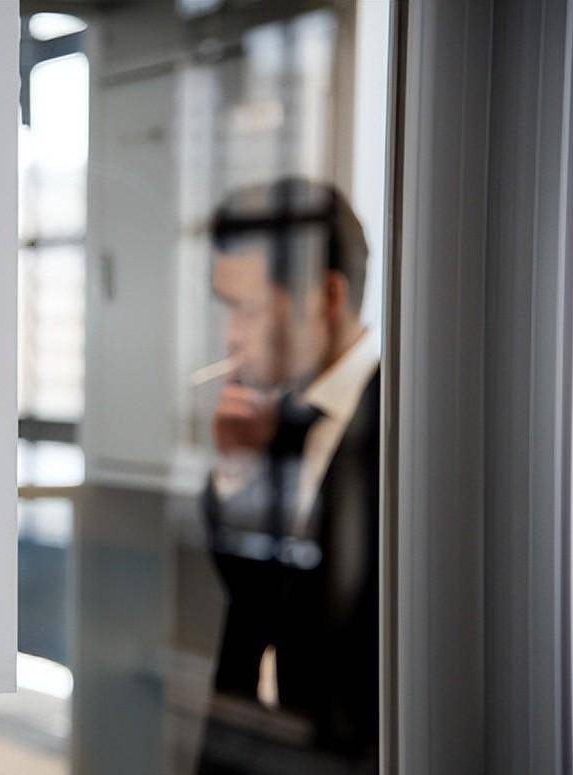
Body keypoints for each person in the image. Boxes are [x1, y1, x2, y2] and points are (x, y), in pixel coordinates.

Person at [200, 177, 379, 771]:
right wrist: (236, 469)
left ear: (327, 297)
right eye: (226, 308)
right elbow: (248, 597)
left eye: (247, 309)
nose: (231, 336)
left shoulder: (408, 428)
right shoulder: (271, 414)